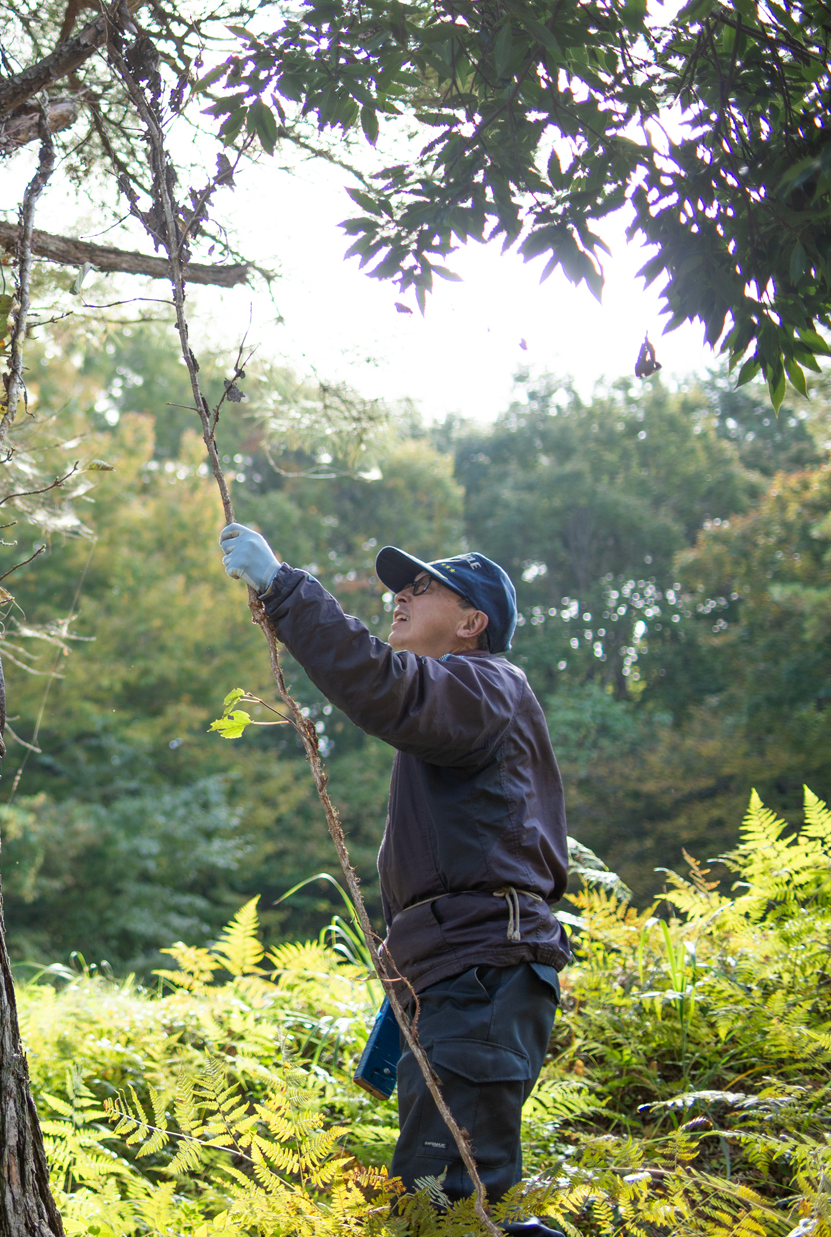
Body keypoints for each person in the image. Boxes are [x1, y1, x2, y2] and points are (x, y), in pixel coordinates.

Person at [218, 523, 569, 1227]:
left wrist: (285, 588)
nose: (400, 597)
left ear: (473, 622)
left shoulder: (485, 683)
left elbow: (385, 687)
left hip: (481, 979)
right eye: (400, 587)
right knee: (449, 1204)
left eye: (422, 587)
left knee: (446, 1206)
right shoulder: (465, 700)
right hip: (462, 979)